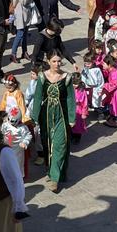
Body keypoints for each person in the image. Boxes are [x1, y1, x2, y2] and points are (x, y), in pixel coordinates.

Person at [28, 51, 77, 193]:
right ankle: (51, 171)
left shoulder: (66, 77)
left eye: (58, 61)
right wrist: (34, 117)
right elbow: (37, 97)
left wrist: (72, 117)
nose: (57, 64)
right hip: (46, 115)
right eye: (54, 61)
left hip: (62, 115)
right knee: (48, 144)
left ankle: (55, 179)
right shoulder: (42, 77)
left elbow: (70, 98)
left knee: (59, 145)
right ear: (48, 61)